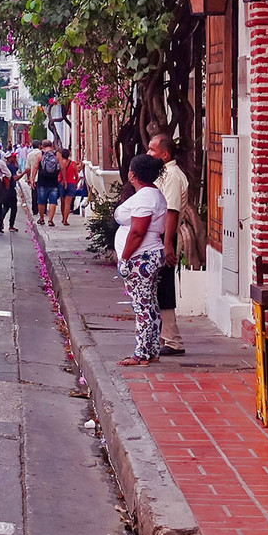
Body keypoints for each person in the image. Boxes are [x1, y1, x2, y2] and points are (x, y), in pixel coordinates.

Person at [116, 153, 168, 367]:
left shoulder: (145, 198)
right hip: (150, 254)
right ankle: (152, 349)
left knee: (142, 306)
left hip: (141, 258)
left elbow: (138, 232)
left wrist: (125, 258)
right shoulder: (153, 194)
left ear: (133, 174)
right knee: (150, 305)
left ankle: (141, 354)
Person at [147, 131, 189, 357]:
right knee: (159, 287)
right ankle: (165, 336)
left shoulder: (172, 176)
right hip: (163, 236)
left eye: (152, 150)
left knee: (164, 287)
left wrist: (167, 244)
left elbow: (171, 211)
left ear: (164, 154)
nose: (148, 153)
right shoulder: (163, 174)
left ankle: (173, 340)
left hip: (167, 235)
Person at [30, 139, 62, 227]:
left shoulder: (40, 154)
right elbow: (62, 167)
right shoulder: (57, 154)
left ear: (42, 146)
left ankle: (41, 219)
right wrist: (64, 179)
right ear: (51, 145)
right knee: (53, 201)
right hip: (54, 181)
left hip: (42, 181)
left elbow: (36, 167)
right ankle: (51, 220)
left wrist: (32, 179)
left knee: (41, 201)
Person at [58, 147, 81, 226]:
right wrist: (75, 183)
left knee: (62, 202)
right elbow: (77, 176)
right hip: (71, 183)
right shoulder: (73, 163)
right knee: (68, 203)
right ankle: (65, 220)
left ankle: (63, 217)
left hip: (62, 183)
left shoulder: (60, 163)